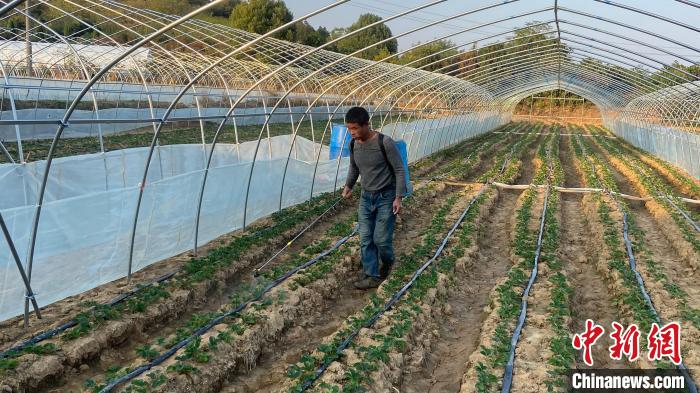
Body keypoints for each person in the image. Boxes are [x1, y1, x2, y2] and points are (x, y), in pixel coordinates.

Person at [341, 107, 407, 289]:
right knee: (365, 238)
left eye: (354, 128)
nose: (352, 132)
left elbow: (399, 170)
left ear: (366, 125)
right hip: (366, 197)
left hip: (386, 197)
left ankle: (388, 262)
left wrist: (398, 197)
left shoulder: (384, 143)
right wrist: (349, 186)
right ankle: (372, 274)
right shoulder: (353, 144)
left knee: (381, 240)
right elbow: (354, 167)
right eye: (349, 129)